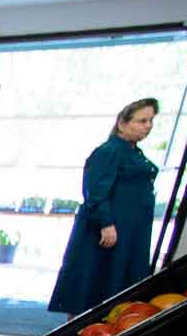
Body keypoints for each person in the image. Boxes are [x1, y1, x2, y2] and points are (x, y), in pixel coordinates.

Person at [49, 98, 160, 318]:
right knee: (93, 279)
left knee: (115, 280)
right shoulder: (109, 151)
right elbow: (95, 191)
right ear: (122, 123)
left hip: (129, 230)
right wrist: (106, 223)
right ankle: (79, 332)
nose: (148, 126)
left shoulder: (132, 152)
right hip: (108, 230)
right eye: (142, 121)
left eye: (150, 121)